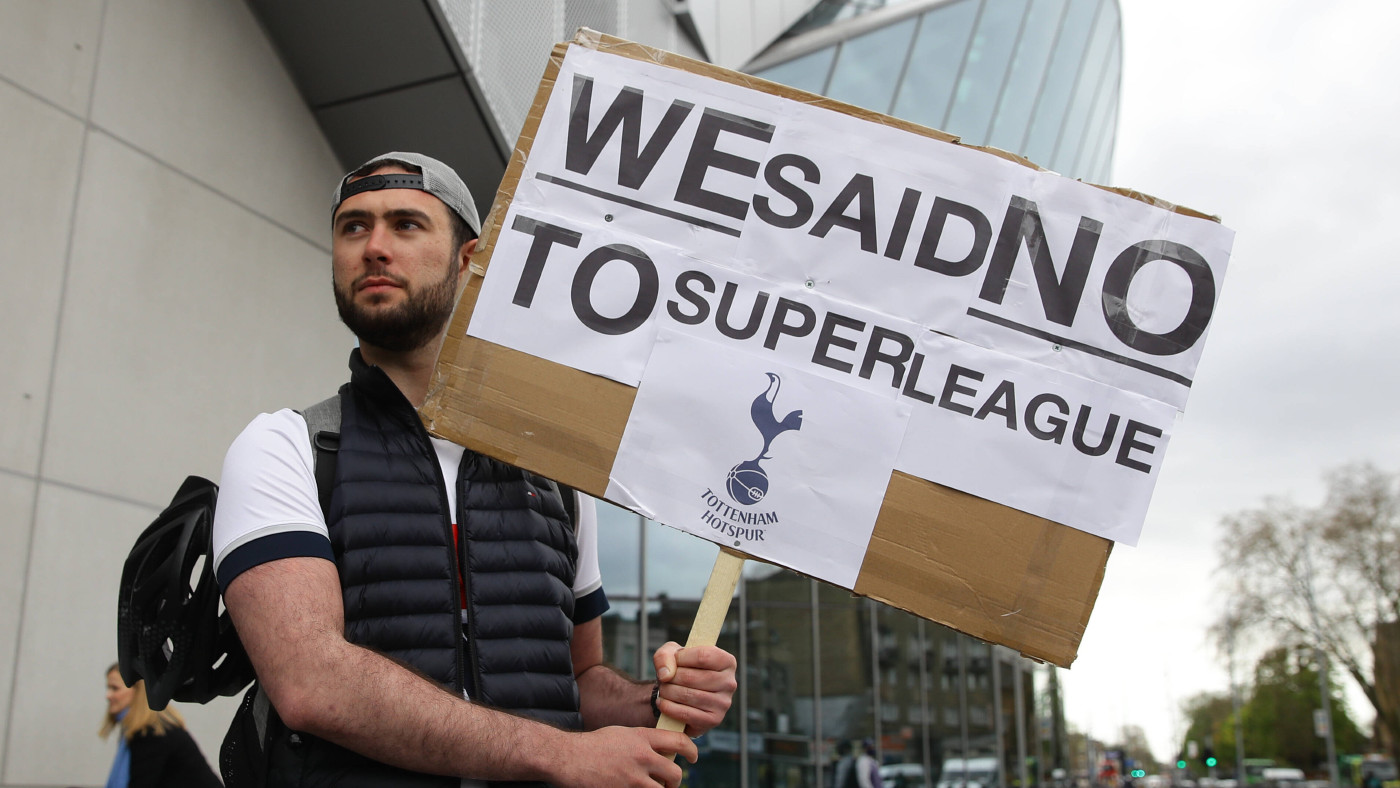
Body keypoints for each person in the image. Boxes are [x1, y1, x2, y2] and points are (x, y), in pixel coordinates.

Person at [212, 151, 737, 788]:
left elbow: (578, 681)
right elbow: (310, 683)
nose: (374, 247)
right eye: (354, 227)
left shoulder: (554, 473)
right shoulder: (287, 446)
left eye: (406, 224)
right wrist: (559, 755)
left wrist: (659, 700)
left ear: (469, 261)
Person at [100, 663, 222, 788]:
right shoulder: (144, 730)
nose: (108, 695)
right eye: (108, 688)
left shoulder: (152, 734)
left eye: (115, 688)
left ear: (139, 691)